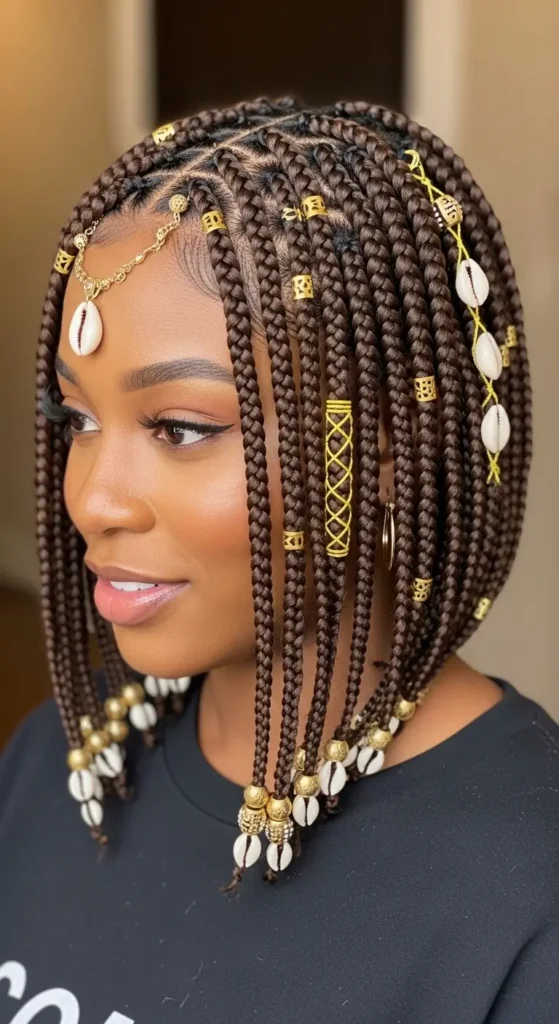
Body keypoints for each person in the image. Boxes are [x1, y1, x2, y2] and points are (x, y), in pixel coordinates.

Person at [0, 96, 557, 1024]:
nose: (92, 497)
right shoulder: (61, 753)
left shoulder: (525, 901)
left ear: (385, 446)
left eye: (180, 427)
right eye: (78, 420)